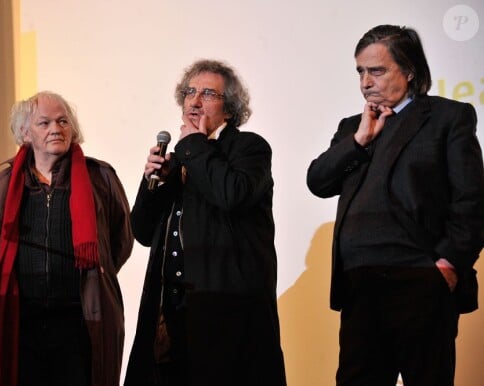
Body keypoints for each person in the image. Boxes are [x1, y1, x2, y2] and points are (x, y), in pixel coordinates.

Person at [306, 24, 484, 386]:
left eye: (377, 70)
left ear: (409, 70)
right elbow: (318, 182)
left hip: (419, 278)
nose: (366, 81)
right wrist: (359, 140)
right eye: (360, 71)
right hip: (359, 282)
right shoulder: (352, 127)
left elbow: (472, 199)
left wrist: (447, 263)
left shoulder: (447, 117)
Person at [124, 59, 287, 386]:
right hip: (169, 308)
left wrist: (192, 146)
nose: (195, 101)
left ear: (229, 109)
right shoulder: (180, 159)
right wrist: (152, 181)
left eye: (208, 93)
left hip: (225, 309)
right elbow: (141, 231)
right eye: (190, 92)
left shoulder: (249, 148)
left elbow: (232, 195)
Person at [0, 91, 134, 386]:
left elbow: (119, 242)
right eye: (44, 123)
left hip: (80, 321)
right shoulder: (0, 186)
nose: (56, 129)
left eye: (62, 121)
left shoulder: (101, 179)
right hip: (20, 323)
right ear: (25, 132)